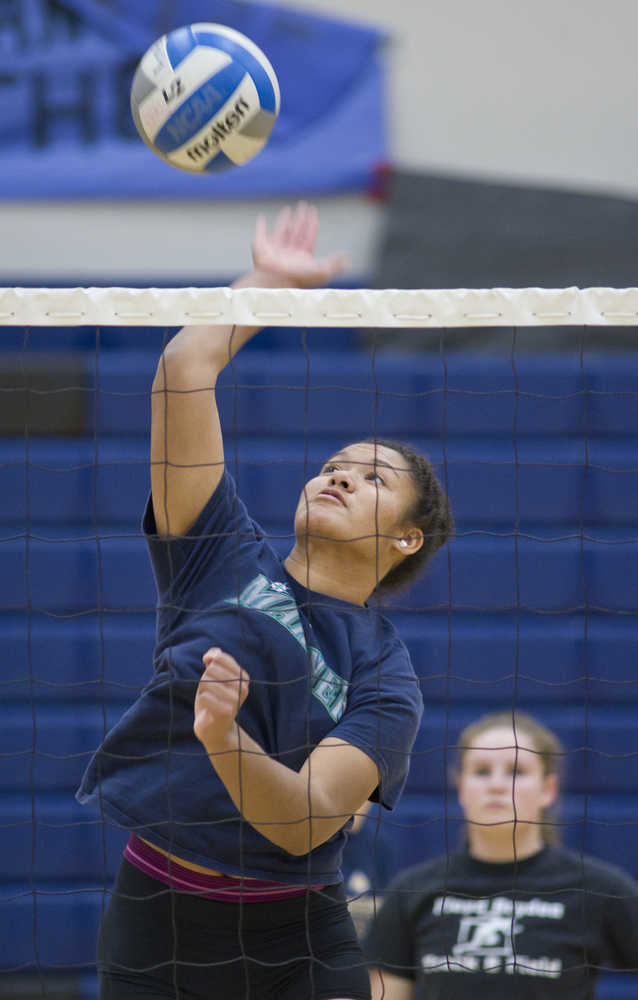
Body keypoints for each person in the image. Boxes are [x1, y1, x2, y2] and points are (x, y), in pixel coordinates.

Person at [76, 202, 454, 1000]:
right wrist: (269, 284)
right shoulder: (218, 550)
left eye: (374, 476)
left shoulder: (387, 680)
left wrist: (223, 739)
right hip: (158, 918)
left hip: (297, 942)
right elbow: (184, 370)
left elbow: (307, 820)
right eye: (335, 464)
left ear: (408, 539)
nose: (340, 474)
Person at [364, 710, 638, 999]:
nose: (496, 785)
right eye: (482, 771)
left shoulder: (598, 889)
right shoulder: (412, 891)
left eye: (516, 771)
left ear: (548, 789)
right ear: (461, 787)